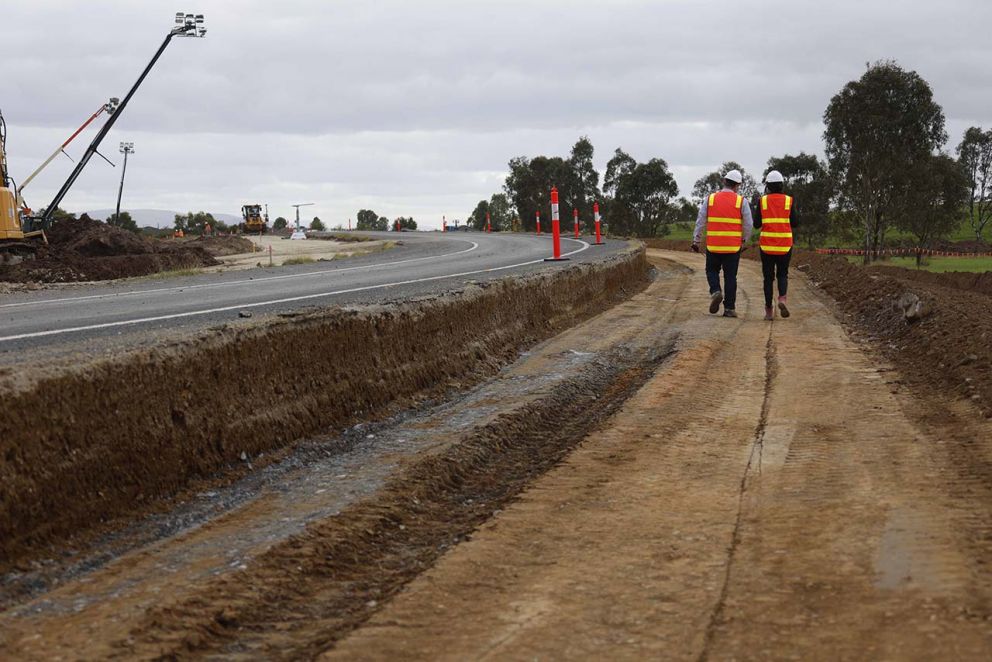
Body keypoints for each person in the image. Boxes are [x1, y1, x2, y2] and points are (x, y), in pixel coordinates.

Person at [691, 169, 753, 318]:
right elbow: (749, 224)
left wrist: (696, 240)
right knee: (730, 277)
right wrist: (744, 239)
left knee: (711, 271)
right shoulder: (741, 201)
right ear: (737, 185)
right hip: (732, 247)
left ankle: (715, 291)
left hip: (714, 245)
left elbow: (700, 221)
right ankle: (729, 309)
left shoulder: (710, 199)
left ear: (724, 181)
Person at [754, 170, 797, 320]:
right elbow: (796, 223)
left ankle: (768, 311)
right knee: (782, 274)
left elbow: (756, 224)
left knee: (768, 278)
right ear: (781, 185)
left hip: (767, 246)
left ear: (768, 186)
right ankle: (782, 299)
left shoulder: (762, 201)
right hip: (785, 245)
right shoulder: (788, 201)